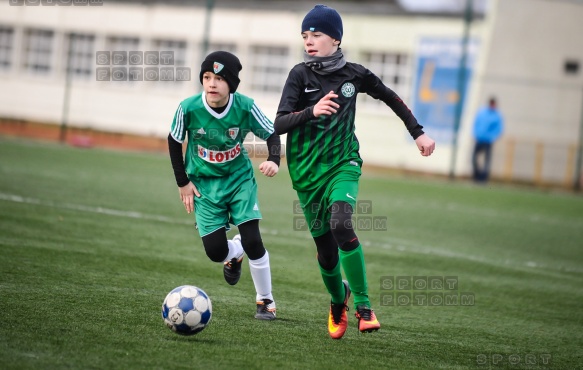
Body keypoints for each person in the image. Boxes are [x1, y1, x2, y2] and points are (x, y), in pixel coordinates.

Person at [274, 4, 435, 339]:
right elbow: (279, 123)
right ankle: (338, 300)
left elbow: (391, 97)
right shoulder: (298, 75)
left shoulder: (355, 74)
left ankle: (364, 306)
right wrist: (311, 111)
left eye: (315, 34)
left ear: (335, 38)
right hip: (305, 173)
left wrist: (417, 131)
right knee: (325, 252)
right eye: (305, 35)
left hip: (343, 163)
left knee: (341, 223)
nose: (309, 41)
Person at [168, 51, 281, 320]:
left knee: (253, 240)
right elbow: (173, 141)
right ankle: (234, 252)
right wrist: (183, 182)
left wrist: (274, 159)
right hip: (204, 187)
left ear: (231, 84)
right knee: (215, 251)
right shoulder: (188, 108)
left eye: (219, 78)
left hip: (239, 180)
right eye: (207, 77)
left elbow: (272, 132)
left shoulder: (245, 106)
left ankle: (265, 301)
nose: (212, 84)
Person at [472, 97, 504, 183]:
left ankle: (484, 178)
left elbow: (499, 129)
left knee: (487, 160)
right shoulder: (482, 112)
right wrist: (475, 133)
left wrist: (492, 137)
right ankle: (476, 176)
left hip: (488, 141)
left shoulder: (497, 115)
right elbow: (476, 123)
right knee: (474, 158)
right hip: (479, 139)